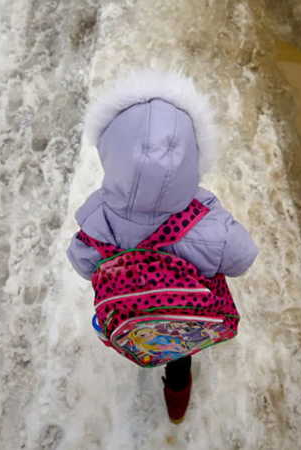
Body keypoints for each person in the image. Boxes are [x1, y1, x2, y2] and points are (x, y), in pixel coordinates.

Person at [66, 70, 258, 424]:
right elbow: (243, 256)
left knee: (142, 332)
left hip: (130, 313)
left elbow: (81, 261)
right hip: (181, 312)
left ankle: (140, 346)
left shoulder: (97, 218)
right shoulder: (207, 227)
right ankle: (176, 406)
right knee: (178, 354)